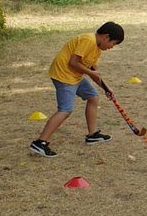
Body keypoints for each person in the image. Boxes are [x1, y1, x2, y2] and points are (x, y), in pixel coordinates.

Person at [29, 22, 125, 157]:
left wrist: (106, 88)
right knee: (65, 110)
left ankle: (92, 135)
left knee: (93, 97)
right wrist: (91, 74)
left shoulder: (97, 49)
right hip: (63, 76)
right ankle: (40, 143)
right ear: (106, 37)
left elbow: (92, 71)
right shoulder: (88, 40)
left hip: (74, 76)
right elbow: (73, 63)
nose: (111, 47)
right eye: (113, 43)